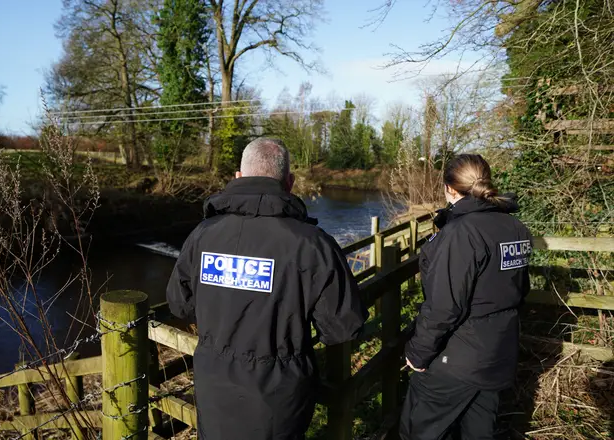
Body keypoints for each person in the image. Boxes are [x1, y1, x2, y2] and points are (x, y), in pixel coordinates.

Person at [166, 137, 368, 440]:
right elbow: (342, 326)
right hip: (279, 396)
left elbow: (180, 304)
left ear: (238, 177)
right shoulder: (311, 244)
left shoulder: (203, 235)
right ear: (289, 182)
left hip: (213, 385)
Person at [399, 154, 532, 440]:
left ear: (449, 188)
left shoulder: (462, 233)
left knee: (419, 430)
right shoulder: (515, 227)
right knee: (479, 431)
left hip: (458, 358)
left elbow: (444, 307)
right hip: (498, 352)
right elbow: (521, 290)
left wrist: (418, 353)